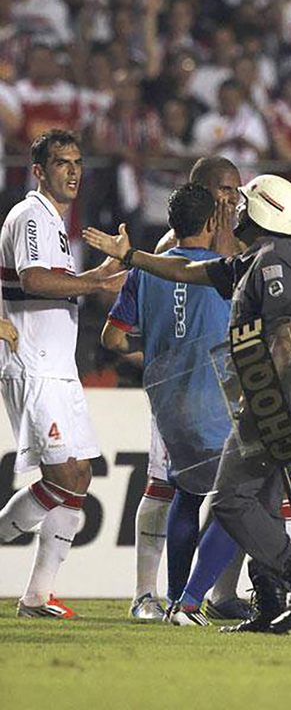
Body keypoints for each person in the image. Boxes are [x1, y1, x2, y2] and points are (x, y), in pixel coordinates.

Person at [83, 174, 291, 634]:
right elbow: (188, 271)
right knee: (259, 502)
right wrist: (133, 257)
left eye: (244, 203)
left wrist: (259, 401)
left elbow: (284, 337)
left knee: (230, 501)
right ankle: (270, 601)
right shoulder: (255, 259)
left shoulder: (273, 261)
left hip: (272, 406)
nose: (234, 211)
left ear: (264, 212)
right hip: (275, 404)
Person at [0, 129, 125, 619]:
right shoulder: (31, 215)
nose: (72, 171)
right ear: (39, 171)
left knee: (78, 475)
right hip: (33, 364)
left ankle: (35, 597)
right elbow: (33, 279)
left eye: (77, 162)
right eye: (61, 163)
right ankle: (34, 596)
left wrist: (111, 271)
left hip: (58, 365)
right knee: (64, 474)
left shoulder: (54, 222)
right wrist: (94, 280)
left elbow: (68, 285)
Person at [101, 182, 237, 626]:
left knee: (179, 493)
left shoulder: (145, 271)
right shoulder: (224, 271)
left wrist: (161, 357)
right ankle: (193, 598)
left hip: (166, 404)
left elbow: (113, 338)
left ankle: (171, 597)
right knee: (243, 498)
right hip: (215, 400)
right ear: (213, 221)